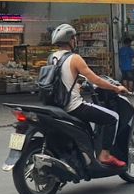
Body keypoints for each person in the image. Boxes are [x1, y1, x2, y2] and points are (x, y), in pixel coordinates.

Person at [50, 24, 129, 168]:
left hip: (57, 106)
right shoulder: (75, 58)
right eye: (74, 38)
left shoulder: (52, 57)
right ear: (70, 40)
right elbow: (95, 80)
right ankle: (105, 155)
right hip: (74, 106)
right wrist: (116, 88)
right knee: (113, 117)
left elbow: (59, 80)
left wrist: (76, 86)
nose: (76, 41)